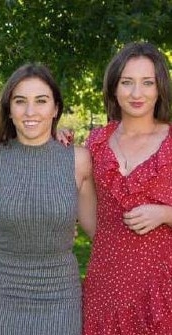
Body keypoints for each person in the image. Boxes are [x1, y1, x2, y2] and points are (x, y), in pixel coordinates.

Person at [0, 63, 96, 334]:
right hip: (5, 296)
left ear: (55, 109)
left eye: (41, 101)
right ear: (9, 109)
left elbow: (99, 231)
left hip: (62, 297)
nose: (30, 112)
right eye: (20, 101)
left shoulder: (78, 161)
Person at [81, 42, 172, 334]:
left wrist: (165, 214)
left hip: (161, 287)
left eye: (147, 83)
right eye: (127, 82)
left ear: (160, 88)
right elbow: (87, 210)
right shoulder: (94, 143)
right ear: (113, 86)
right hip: (105, 284)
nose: (136, 93)